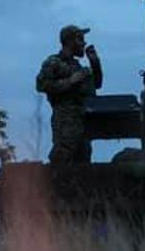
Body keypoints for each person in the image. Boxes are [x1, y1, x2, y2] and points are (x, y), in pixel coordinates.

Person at [36, 24, 103, 166]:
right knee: (63, 157)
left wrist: (95, 64)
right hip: (65, 121)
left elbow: (96, 85)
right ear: (69, 41)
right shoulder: (54, 63)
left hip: (83, 120)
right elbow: (42, 85)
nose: (83, 43)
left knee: (83, 160)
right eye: (80, 39)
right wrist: (70, 81)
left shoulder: (78, 67)